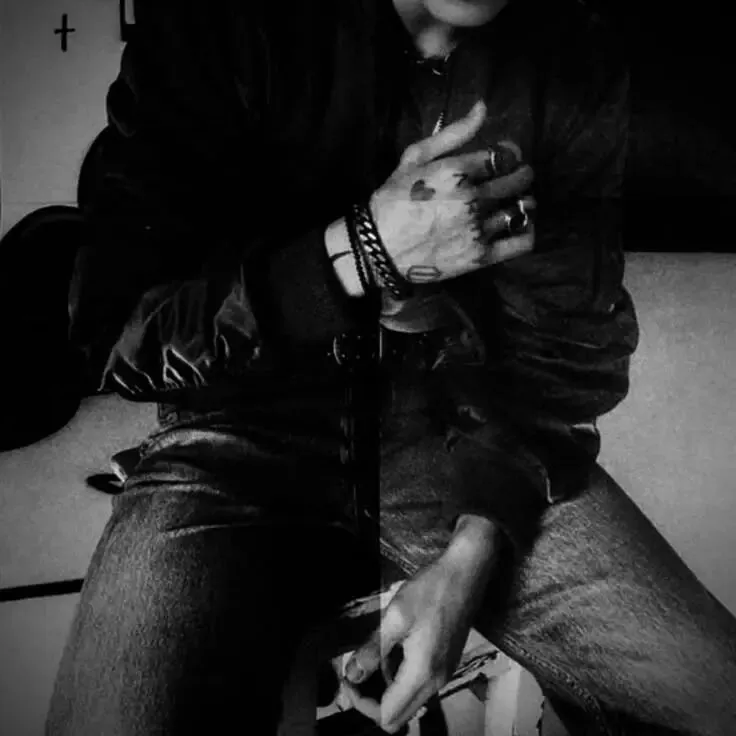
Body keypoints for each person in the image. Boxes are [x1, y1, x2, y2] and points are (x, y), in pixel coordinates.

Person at [47, 0, 736, 734]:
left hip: (464, 429)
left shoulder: (573, 48)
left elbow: (563, 349)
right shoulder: (221, 24)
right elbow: (118, 331)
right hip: (234, 436)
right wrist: (361, 250)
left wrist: (475, 550)